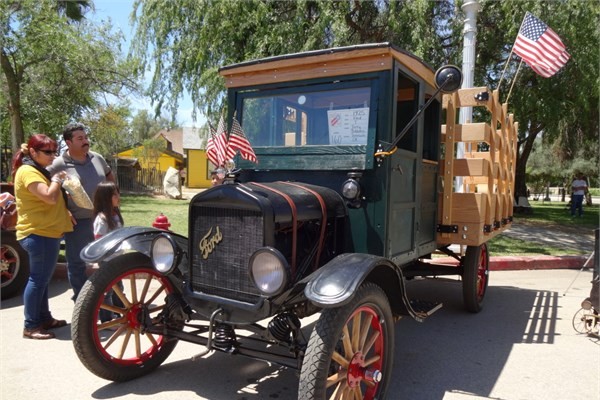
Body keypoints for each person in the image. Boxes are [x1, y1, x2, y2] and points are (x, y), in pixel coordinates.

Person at [12, 134, 73, 339]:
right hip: (38, 233)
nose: (52, 156)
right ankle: (31, 326)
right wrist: (57, 179)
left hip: (45, 232)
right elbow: (48, 196)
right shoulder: (28, 171)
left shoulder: (36, 170)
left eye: (54, 151)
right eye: (47, 152)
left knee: (43, 279)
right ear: (33, 152)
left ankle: (44, 318)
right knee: (38, 280)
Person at [47, 123, 115, 300]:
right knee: (76, 264)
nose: (86, 141)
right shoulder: (58, 164)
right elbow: (47, 189)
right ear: (68, 142)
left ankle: (117, 304)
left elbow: (109, 175)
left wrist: (114, 197)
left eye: (86, 137)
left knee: (110, 261)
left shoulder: (97, 158)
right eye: (80, 139)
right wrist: (63, 210)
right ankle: (82, 303)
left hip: (105, 218)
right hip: (79, 222)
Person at [92, 181, 124, 324]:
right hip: (107, 260)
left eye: (118, 194)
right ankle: (107, 320)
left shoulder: (116, 215)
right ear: (105, 198)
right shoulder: (102, 219)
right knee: (108, 291)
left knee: (119, 289)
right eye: (114, 195)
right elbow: (99, 240)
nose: (118, 197)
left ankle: (121, 314)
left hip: (117, 259)